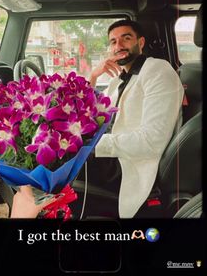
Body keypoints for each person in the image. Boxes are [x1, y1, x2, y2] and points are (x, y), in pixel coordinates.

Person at [73, 19, 184, 219]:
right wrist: (93, 77)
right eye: (113, 42)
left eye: (126, 38)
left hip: (127, 164)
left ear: (140, 43)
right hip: (111, 153)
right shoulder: (119, 79)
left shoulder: (158, 71)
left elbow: (152, 141)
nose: (119, 46)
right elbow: (92, 111)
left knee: (57, 161)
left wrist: (91, 145)